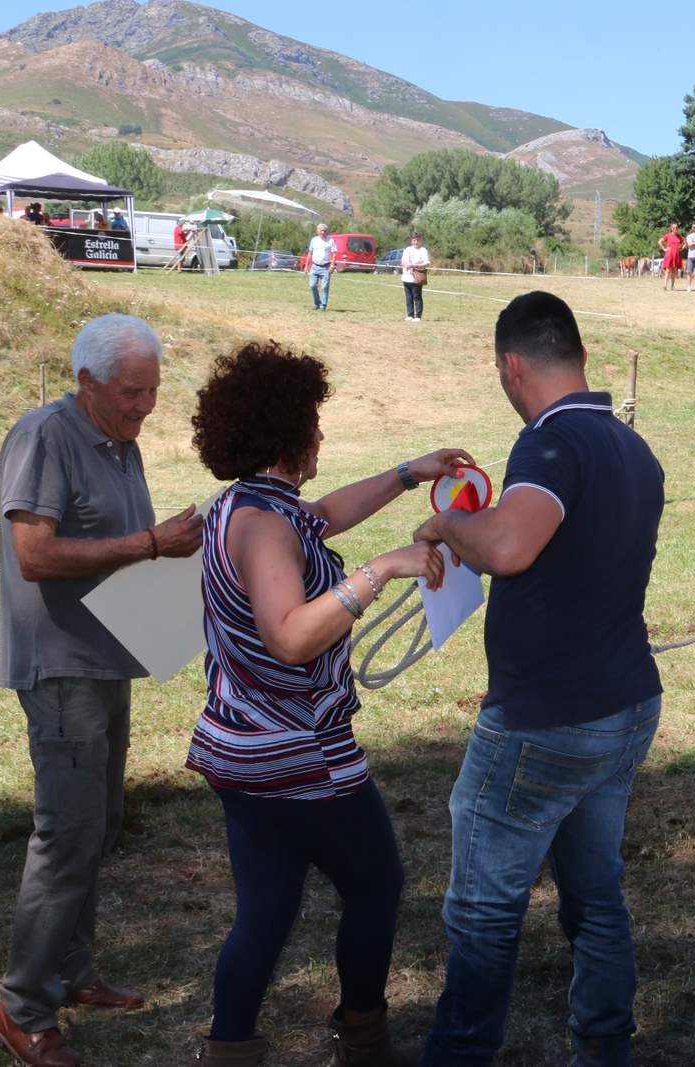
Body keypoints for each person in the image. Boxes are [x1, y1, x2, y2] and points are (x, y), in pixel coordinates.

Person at [185, 340, 470, 1067]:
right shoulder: (267, 525)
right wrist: (380, 570)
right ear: (288, 433)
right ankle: (363, 1037)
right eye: (313, 421)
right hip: (300, 752)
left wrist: (411, 473)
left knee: (266, 912)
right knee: (377, 884)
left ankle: (229, 1049)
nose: (321, 434)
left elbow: (326, 513)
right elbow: (289, 636)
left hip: (241, 745)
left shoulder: (248, 505)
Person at [416, 291, 665, 1067]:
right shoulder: (635, 448)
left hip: (545, 719)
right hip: (622, 702)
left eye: (500, 372)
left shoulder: (550, 443)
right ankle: (603, 1045)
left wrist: (448, 525)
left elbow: (514, 545)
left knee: (484, 911)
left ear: (512, 365)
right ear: (580, 356)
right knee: (595, 895)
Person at [0, 314, 206, 1067]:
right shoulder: (45, 436)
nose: (145, 405)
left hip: (110, 656)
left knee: (99, 823)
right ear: (85, 382)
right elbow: (35, 554)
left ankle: (71, 969)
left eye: (151, 391)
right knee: (67, 834)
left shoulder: (120, 438)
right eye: (130, 392)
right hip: (61, 668)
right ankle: (21, 1009)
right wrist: (151, 543)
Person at [401, 233, 432, 323]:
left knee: (417, 296)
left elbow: (427, 263)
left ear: (420, 240)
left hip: (417, 277)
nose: (416, 242)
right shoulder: (407, 249)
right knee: (408, 297)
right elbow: (402, 261)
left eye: (417, 240)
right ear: (411, 241)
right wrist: (406, 264)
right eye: (414, 240)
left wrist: (415, 265)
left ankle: (418, 316)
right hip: (406, 276)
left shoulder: (423, 250)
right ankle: (410, 315)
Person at [308, 224, 339, 311]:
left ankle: (323, 305)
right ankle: (317, 303)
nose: (323, 232)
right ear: (317, 231)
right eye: (321, 230)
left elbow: (334, 253)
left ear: (327, 232)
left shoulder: (331, 241)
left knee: (324, 287)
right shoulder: (313, 240)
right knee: (312, 285)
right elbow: (310, 253)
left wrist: (332, 265)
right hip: (314, 266)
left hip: (326, 267)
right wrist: (307, 266)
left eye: (325, 231)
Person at [658, 224, 683, 291]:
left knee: (674, 271)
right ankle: (665, 286)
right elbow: (660, 242)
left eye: (677, 227)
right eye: (674, 227)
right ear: (671, 228)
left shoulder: (679, 236)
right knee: (668, 270)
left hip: (676, 255)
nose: (675, 229)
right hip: (669, 255)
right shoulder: (668, 235)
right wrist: (664, 249)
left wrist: (681, 249)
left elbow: (685, 243)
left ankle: (672, 286)